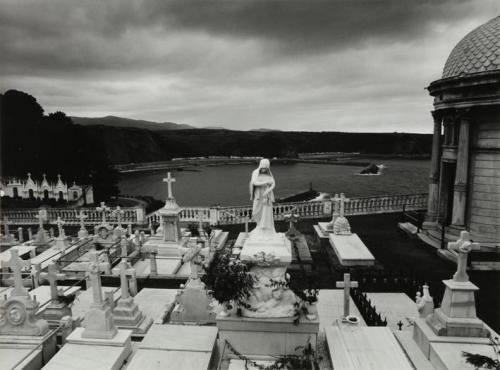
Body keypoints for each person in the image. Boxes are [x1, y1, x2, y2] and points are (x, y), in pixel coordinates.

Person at [249, 159, 276, 237]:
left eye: (266, 168)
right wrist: (265, 183)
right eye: (263, 168)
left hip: (266, 196)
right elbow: (254, 182)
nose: (264, 169)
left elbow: (274, 184)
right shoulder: (255, 172)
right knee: (255, 211)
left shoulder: (269, 174)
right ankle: (258, 225)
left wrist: (267, 191)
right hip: (258, 195)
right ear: (260, 166)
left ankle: (265, 228)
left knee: (266, 211)